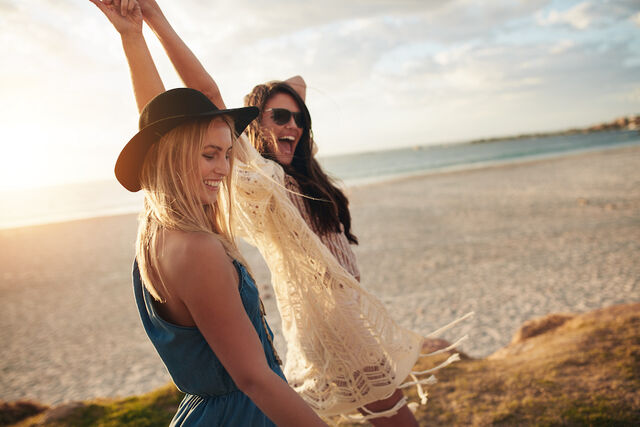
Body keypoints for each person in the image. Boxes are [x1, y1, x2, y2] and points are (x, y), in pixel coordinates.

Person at [99, 1, 470, 425]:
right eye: (278, 116)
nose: (221, 167)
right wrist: (152, 22)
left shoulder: (166, 226)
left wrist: (135, 34)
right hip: (283, 369)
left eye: (299, 118)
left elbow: (160, 132)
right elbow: (188, 115)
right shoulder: (260, 182)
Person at [89, 1, 327, 426]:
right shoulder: (196, 248)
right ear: (174, 158)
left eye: (225, 155)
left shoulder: (158, 229)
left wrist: (134, 36)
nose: (223, 167)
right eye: (209, 155)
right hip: (244, 412)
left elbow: (156, 124)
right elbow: (254, 378)